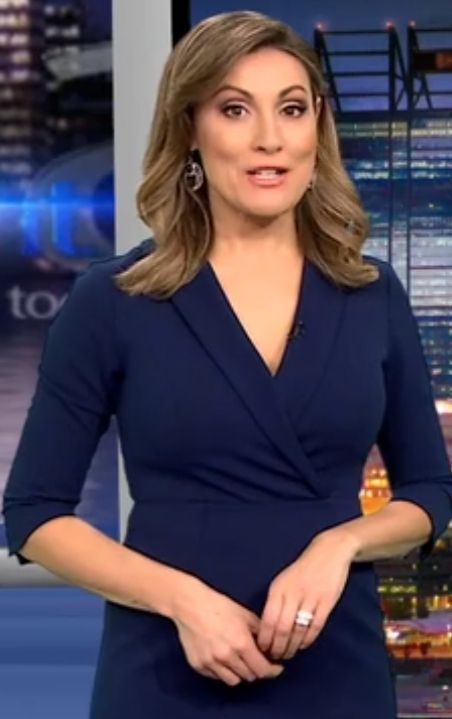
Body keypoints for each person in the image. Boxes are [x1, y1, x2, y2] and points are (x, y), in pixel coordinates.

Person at [3, 10, 452, 719]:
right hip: (164, 668)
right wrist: (182, 601)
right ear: (190, 128)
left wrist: (340, 544)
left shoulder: (373, 295)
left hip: (337, 663)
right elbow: (32, 514)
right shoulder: (113, 300)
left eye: (292, 109)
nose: (270, 138)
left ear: (317, 128)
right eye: (235, 109)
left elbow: (429, 490)